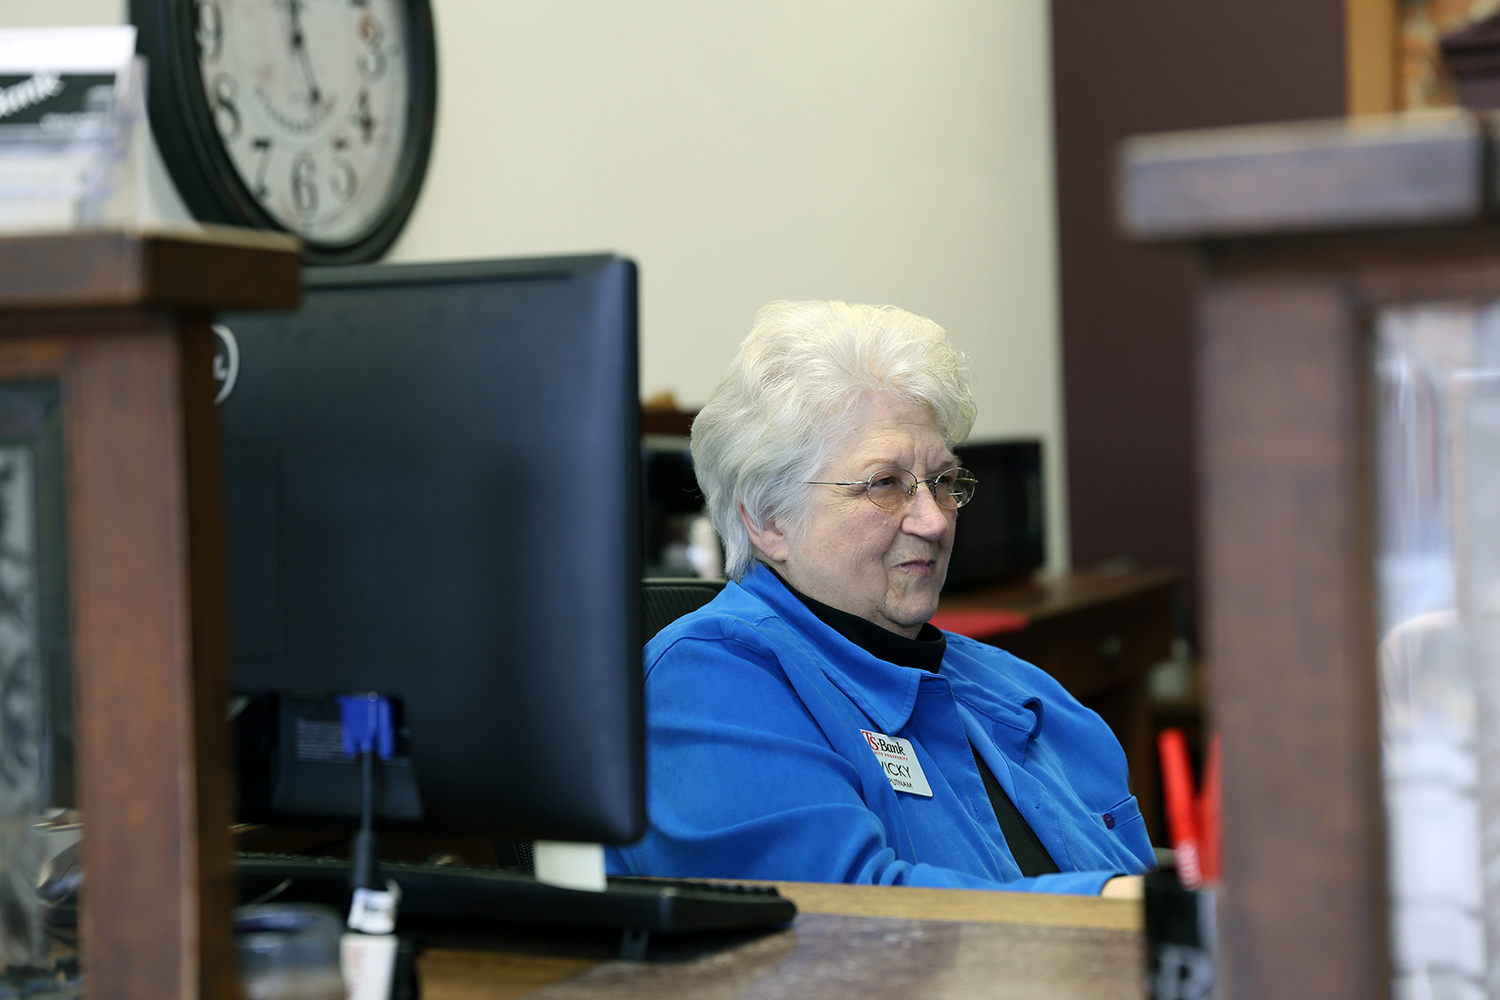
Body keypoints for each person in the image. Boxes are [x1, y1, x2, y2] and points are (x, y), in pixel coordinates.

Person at [606, 300, 1155, 895]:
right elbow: (836, 925)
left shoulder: (1024, 691)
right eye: (885, 484)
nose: (935, 522)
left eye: (943, 482)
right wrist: (1109, 905)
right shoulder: (705, 685)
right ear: (768, 519)